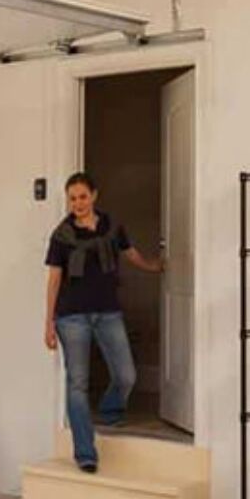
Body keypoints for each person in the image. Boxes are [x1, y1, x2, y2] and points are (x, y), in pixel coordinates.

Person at [43, 172, 164, 473]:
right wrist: (48, 323)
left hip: (108, 312)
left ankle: (111, 409)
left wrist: (152, 266)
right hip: (71, 317)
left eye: (83, 196)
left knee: (126, 375)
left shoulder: (112, 227)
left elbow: (129, 253)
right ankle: (85, 452)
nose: (78, 203)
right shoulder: (61, 236)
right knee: (77, 384)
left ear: (94, 196)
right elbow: (54, 279)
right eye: (72, 198)